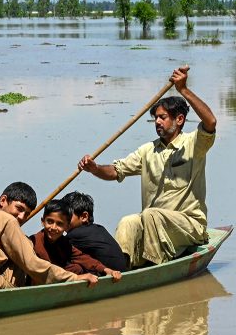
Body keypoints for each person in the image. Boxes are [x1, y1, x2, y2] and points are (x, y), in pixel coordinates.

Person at [78, 66, 217, 267]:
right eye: (155, 118)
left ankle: (154, 265)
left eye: (163, 117)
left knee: (152, 214)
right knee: (129, 221)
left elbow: (211, 121)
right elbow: (117, 171)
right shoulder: (147, 150)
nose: (157, 122)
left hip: (188, 225)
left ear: (179, 120)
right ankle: (119, 268)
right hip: (154, 225)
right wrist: (95, 168)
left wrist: (183, 90)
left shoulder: (194, 145)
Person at [28, 199, 122, 283]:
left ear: (67, 227)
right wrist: (77, 278)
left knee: (77, 268)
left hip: (62, 278)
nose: (53, 227)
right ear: (42, 221)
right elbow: (39, 269)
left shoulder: (64, 243)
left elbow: (83, 257)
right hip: (41, 280)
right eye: (50, 222)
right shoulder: (34, 241)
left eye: (59, 224)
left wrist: (106, 270)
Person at [61, 191, 129, 272]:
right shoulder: (99, 229)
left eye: (67, 216)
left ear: (84, 217)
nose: (62, 220)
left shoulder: (76, 235)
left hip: (108, 278)